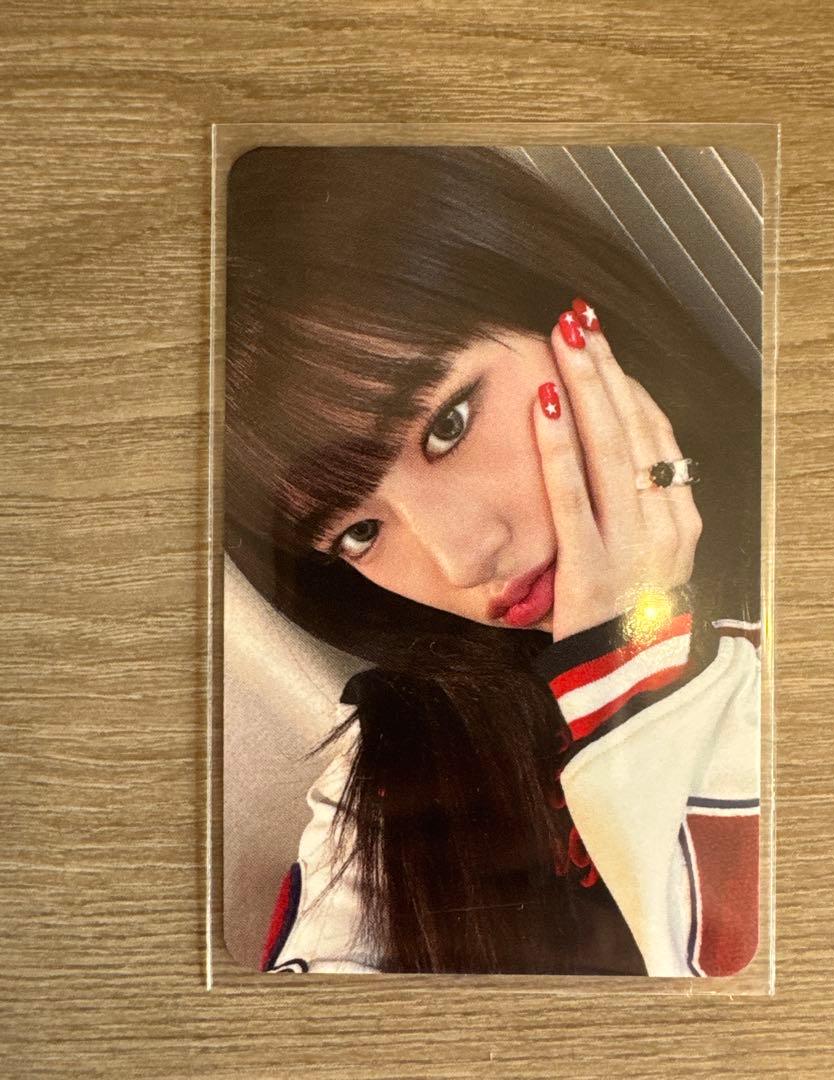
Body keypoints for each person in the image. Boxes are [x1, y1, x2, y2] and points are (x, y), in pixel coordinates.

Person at [225, 145, 762, 977]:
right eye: (358, 532)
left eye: (448, 425)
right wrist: (625, 669)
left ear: (565, 313)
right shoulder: (391, 796)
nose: (461, 558)